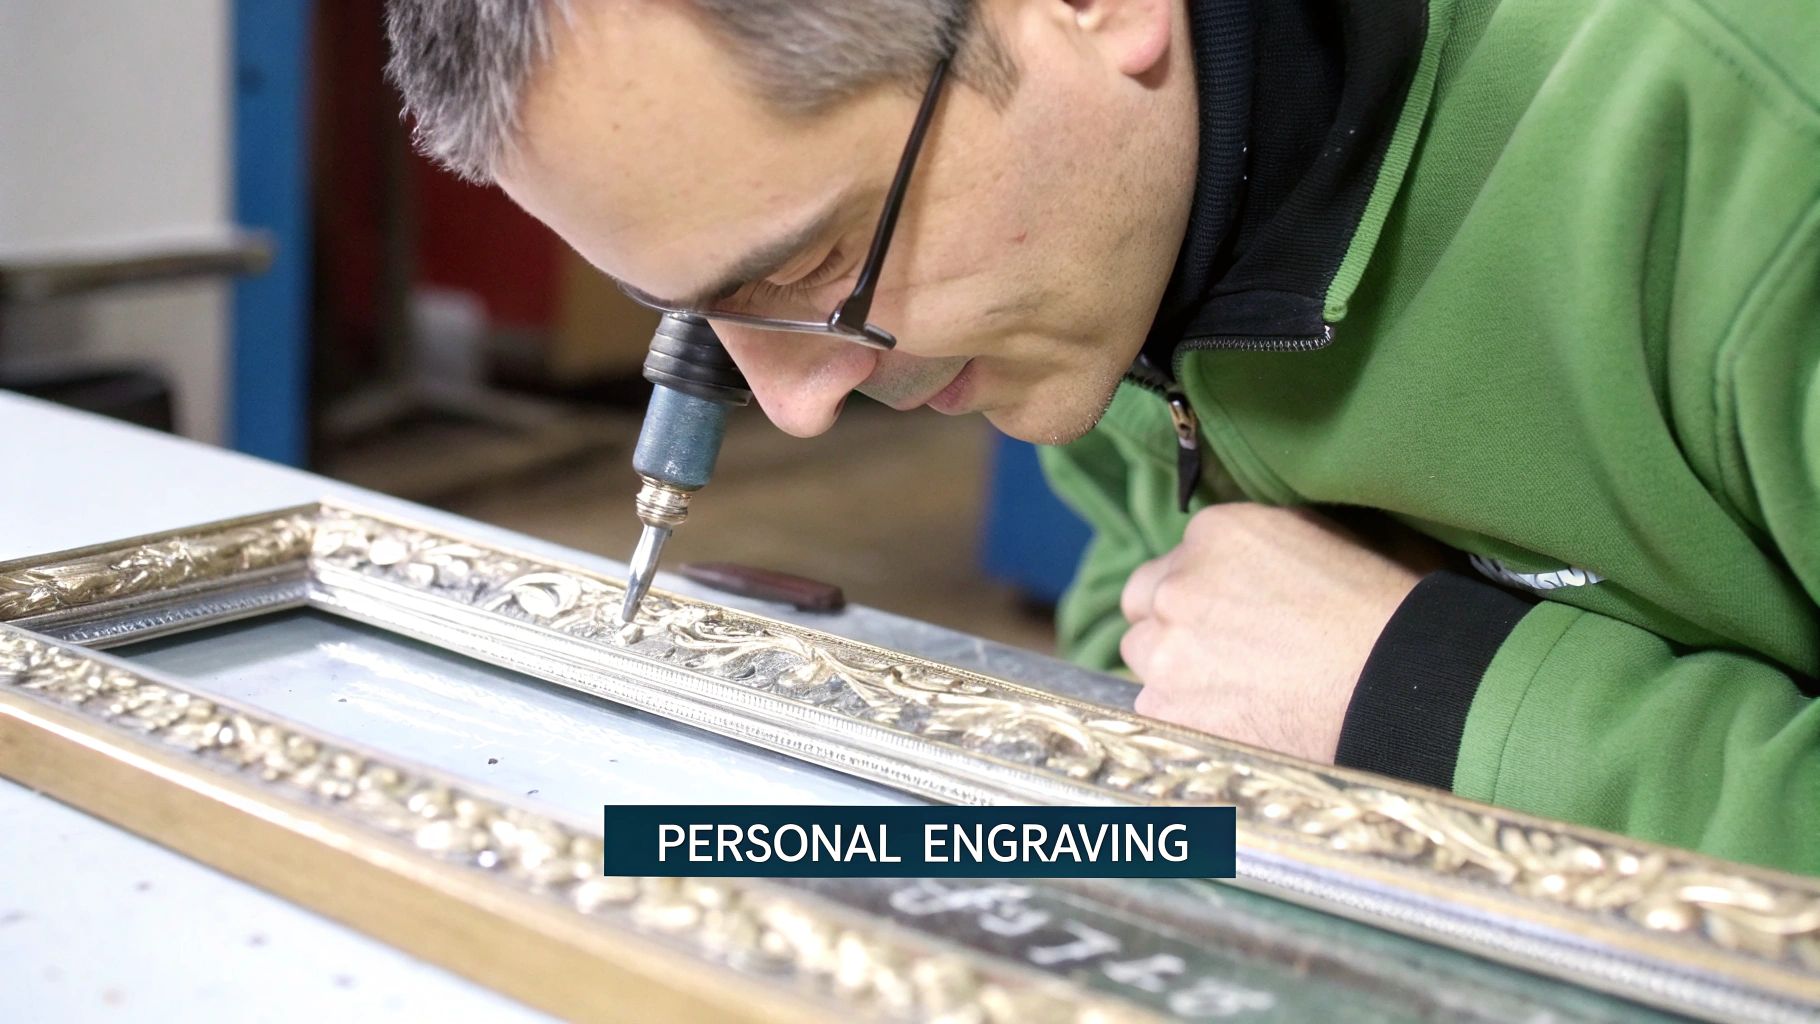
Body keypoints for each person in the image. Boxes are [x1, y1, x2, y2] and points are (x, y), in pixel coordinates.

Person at [386, 0, 1820, 875]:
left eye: (815, 267)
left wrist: (1436, 703)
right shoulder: (1091, 263)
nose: (798, 405)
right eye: (694, 311)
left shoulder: (1759, 149)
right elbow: (1150, 658)